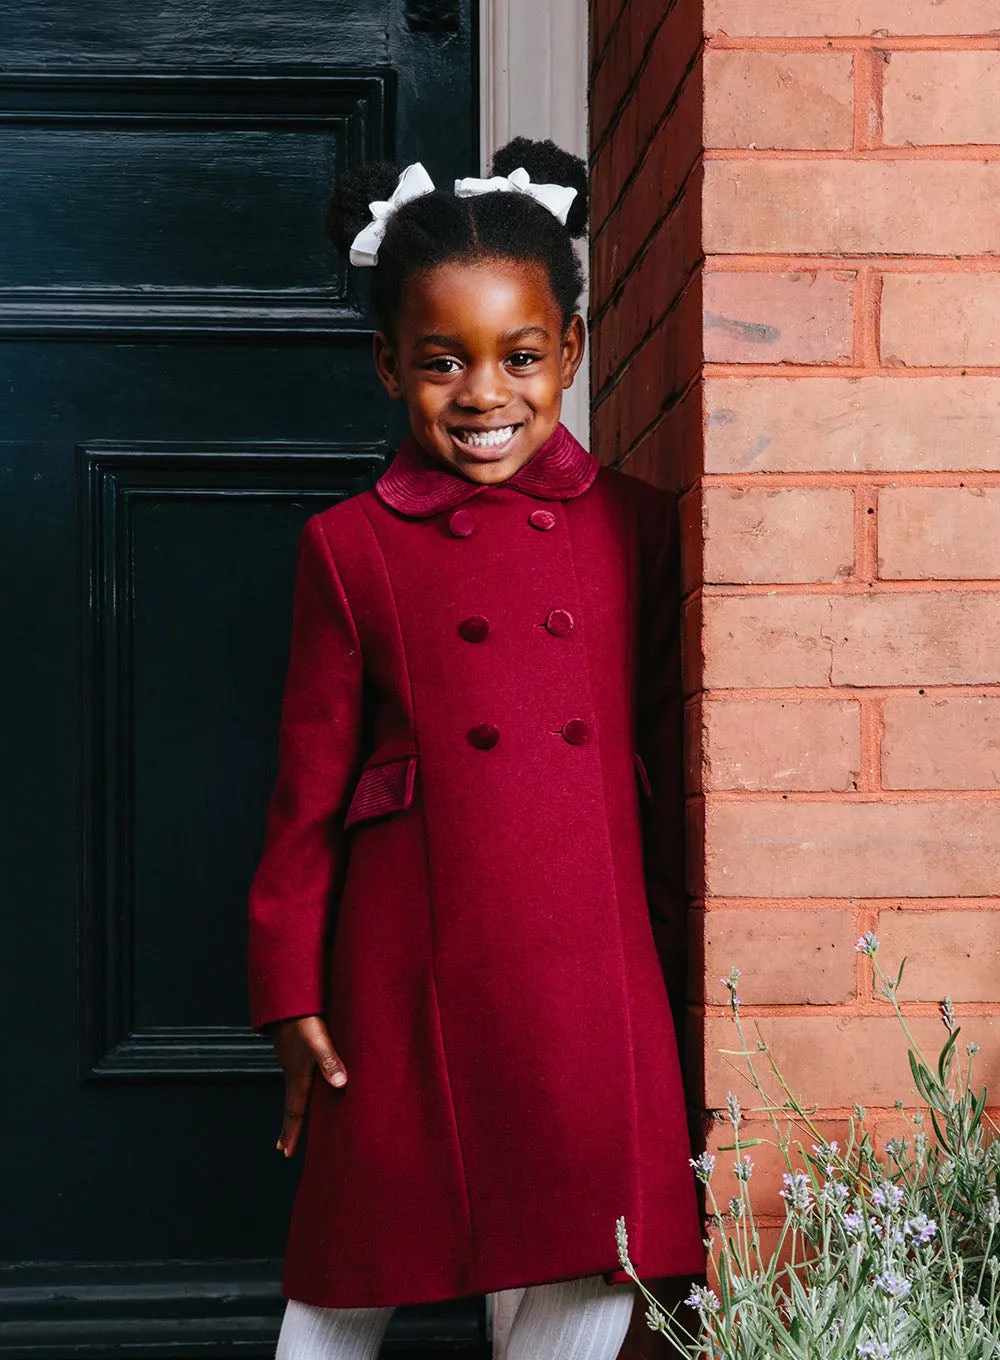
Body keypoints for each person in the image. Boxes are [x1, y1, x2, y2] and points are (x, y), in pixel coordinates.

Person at [247, 137, 703, 1360]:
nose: (483, 394)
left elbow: (666, 755)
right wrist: (288, 990)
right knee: (348, 1272)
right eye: (442, 362)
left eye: (519, 357)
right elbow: (304, 794)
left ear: (571, 351)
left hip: (591, 968)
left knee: (593, 1252)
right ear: (391, 363)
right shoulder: (349, 548)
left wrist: (678, 967)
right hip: (408, 968)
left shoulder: (640, 527)